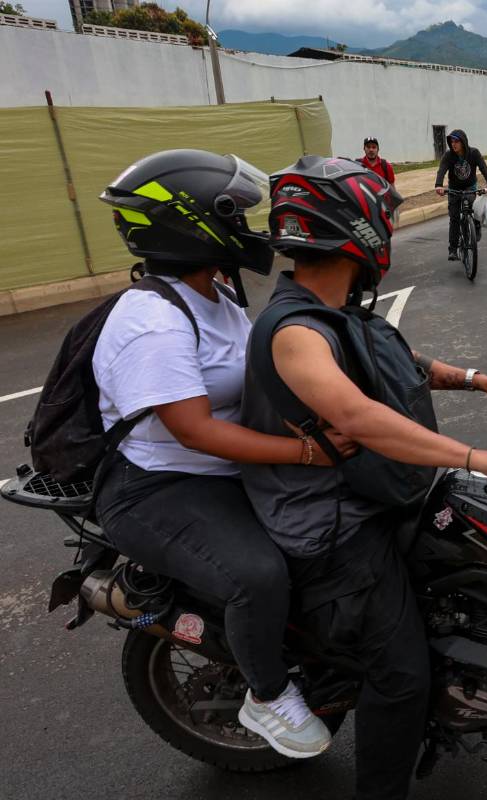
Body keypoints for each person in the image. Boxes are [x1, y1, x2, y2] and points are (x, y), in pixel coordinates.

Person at [243, 155, 487, 800]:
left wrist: (479, 381)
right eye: (380, 217)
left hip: (376, 489)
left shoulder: (340, 312)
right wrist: (478, 456)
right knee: (402, 675)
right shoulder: (295, 332)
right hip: (332, 520)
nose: (386, 229)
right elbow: (357, 416)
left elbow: (403, 361)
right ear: (351, 228)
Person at [93, 149, 357, 760]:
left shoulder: (215, 293)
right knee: (257, 575)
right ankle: (267, 694)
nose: (247, 224)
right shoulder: (153, 320)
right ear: (190, 223)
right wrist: (307, 452)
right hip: (157, 488)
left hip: (222, 470)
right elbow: (197, 432)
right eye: (234, 213)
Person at [432, 129, 487, 260]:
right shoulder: (448, 156)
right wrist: (438, 185)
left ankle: (476, 226)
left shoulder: (474, 153)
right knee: (454, 218)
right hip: (454, 189)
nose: (453, 144)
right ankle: (453, 249)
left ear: (463, 142)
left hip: (469, 187)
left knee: (473, 206)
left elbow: (483, 168)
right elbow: (442, 170)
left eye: (456, 141)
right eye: (451, 141)